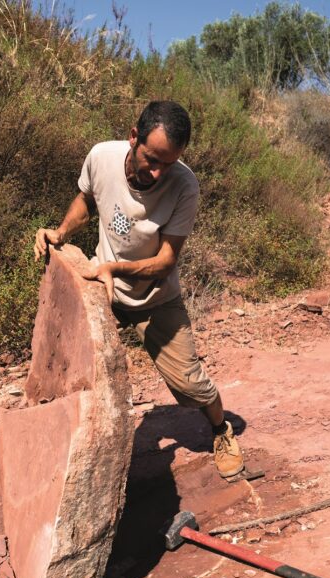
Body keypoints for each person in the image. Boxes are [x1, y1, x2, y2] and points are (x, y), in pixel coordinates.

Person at [33, 100, 247, 479]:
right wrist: (61, 232)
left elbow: (166, 260)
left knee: (190, 385)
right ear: (134, 137)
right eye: (151, 158)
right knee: (72, 368)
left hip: (154, 297)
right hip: (103, 284)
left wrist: (115, 267)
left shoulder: (184, 185)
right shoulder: (101, 156)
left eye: (168, 163)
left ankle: (221, 429)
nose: (157, 171)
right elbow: (85, 201)